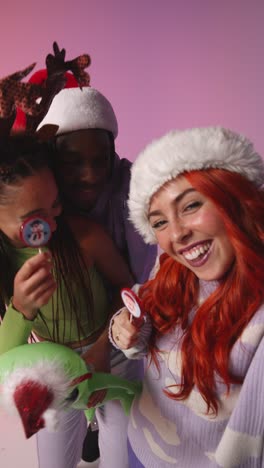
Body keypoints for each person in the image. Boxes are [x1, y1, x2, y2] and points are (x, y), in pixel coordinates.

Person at [110, 127, 264, 467]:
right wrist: (129, 330)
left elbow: (251, 447)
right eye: (159, 222)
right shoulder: (172, 267)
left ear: (236, 198)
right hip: (141, 447)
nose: (177, 234)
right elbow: (146, 328)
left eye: (191, 205)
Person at [38, 84, 157, 464]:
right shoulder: (33, 194)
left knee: (123, 449)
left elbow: (142, 283)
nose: (89, 175)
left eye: (100, 160)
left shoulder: (133, 192)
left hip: (121, 338)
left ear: (114, 155)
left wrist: (106, 345)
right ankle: (89, 423)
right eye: (73, 162)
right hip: (57, 350)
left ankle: (99, 424)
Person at [0, 134, 134, 468]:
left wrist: (104, 345)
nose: (52, 220)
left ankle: (97, 431)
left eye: (55, 203)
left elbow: (126, 289)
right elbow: (4, 358)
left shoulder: (85, 235)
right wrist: (21, 308)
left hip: (112, 356)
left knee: (124, 457)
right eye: (34, 215)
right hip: (52, 373)